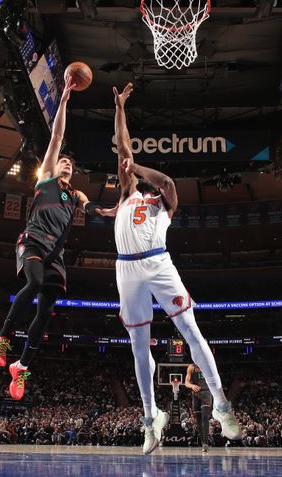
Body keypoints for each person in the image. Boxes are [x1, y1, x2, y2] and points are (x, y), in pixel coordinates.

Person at [111, 82, 241, 455]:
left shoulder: (164, 201)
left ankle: (221, 403)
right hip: (126, 270)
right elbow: (123, 147)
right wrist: (120, 108)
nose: (132, 176)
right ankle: (151, 420)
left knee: (190, 329)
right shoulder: (126, 194)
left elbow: (165, 180)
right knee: (137, 346)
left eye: (135, 175)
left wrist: (136, 165)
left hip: (158, 262)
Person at [0, 75, 115, 400]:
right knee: (31, 284)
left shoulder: (76, 194)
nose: (67, 164)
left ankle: (21, 367)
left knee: (46, 313)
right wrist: (65, 100)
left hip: (56, 254)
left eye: (71, 163)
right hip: (33, 241)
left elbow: (94, 209)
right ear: (54, 166)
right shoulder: (45, 178)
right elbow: (56, 136)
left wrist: (111, 212)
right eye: (63, 161)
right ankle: (2, 339)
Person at [185, 364, 212, 452]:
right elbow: (186, 382)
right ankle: (203, 442)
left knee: (205, 417)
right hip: (196, 394)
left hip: (206, 392)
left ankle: (206, 443)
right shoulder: (191, 367)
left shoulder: (208, 364)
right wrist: (192, 386)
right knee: (198, 420)